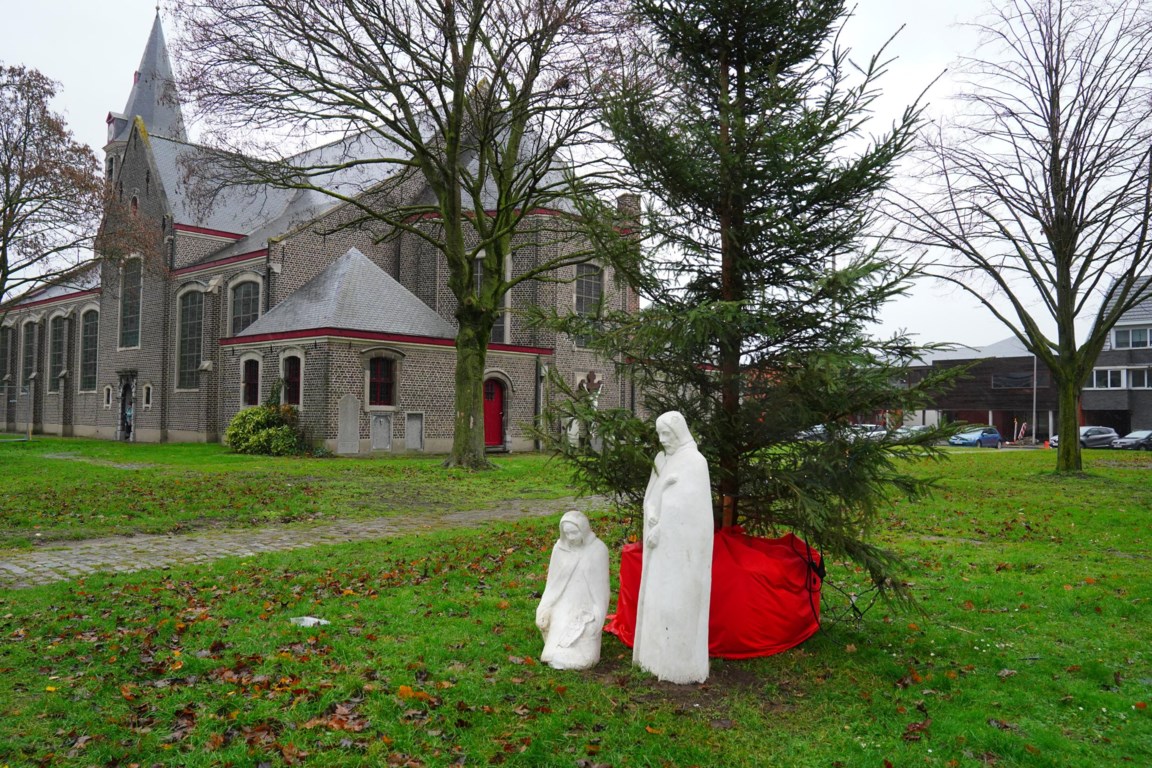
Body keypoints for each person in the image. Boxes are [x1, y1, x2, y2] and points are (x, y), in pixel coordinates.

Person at [633, 411, 713, 684]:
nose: (663, 439)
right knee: (658, 599)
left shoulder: (695, 463)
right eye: (660, 435)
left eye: (667, 434)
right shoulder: (661, 459)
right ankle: (653, 657)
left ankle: (678, 664)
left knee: (677, 603)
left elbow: (692, 511)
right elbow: (651, 496)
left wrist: (663, 527)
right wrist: (653, 516)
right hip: (660, 550)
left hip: (681, 552)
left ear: (679, 432)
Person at [536, 510, 610, 670]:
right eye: (567, 533)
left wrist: (598, 614)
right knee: (556, 639)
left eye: (574, 533)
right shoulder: (560, 549)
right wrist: (544, 607)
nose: (570, 537)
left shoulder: (598, 550)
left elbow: (601, 589)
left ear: (583, 529)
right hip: (563, 602)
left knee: (583, 655)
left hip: (586, 605)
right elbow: (552, 584)